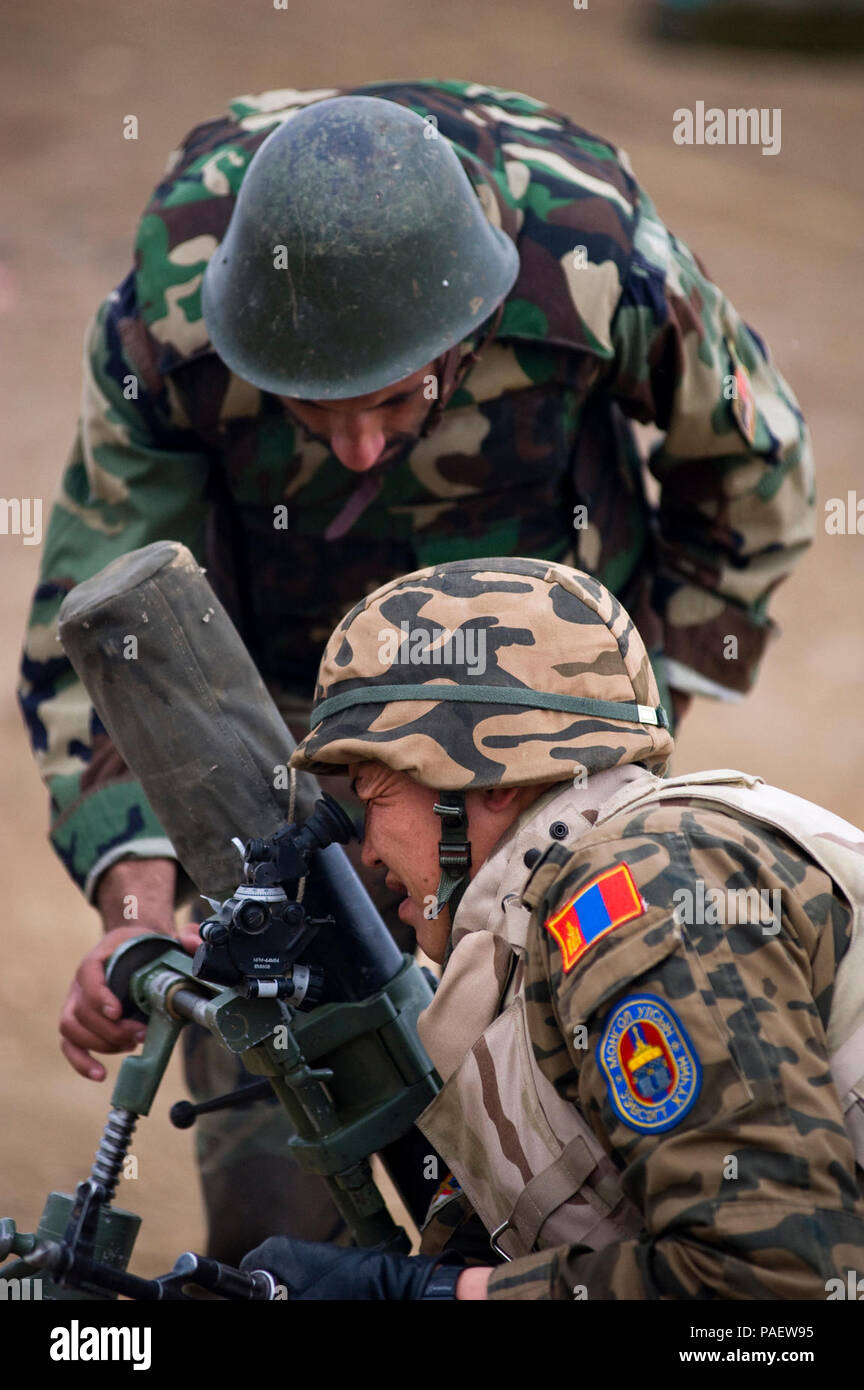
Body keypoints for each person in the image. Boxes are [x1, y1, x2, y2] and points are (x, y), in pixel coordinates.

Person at [19, 80, 814, 1259]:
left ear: (467, 333)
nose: (357, 448)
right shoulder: (171, 318)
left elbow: (760, 479)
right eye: (311, 409)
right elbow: (106, 634)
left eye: (395, 401)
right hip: (286, 708)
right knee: (283, 1113)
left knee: (555, 1127)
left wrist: (632, 736)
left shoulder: (588, 260)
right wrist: (137, 910)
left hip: (541, 706)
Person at [238, 556, 864, 1299]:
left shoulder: (643, 898)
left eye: (373, 792)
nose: (367, 851)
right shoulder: (553, 925)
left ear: (492, 780)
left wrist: (424, 1297)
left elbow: (770, 1294)